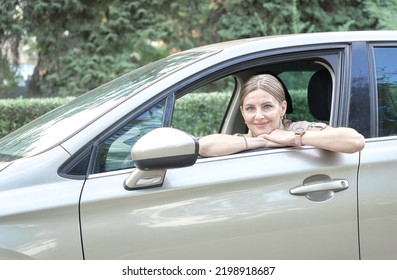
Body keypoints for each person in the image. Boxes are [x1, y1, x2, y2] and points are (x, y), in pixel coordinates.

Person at [199, 74, 365, 157]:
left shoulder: (300, 129)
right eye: (250, 108)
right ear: (242, 112)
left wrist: (294, 139)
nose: (258, 116)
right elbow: (203, 147)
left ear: (282, 108)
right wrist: (260, 142)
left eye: (267, 107)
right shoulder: (240, 140)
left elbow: (355, 141)